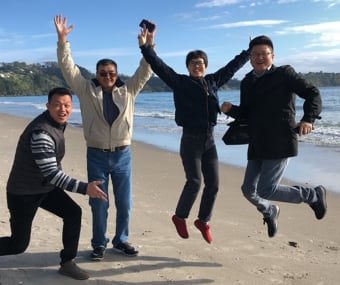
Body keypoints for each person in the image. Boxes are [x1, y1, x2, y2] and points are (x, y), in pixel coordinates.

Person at [138, 21, 250, 243]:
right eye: (193, 63)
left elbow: (231, 68)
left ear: (206, 65)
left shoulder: (212, 82)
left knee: (214, 184)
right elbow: (159, 66)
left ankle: (203, 221)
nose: (197, 66)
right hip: (190, 140)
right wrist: (146, 47)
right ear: (188, 66)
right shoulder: (180, 82)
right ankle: (180, 217)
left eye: (200, 63)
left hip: (209, 141)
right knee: (195, 181)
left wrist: (248, 52)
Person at [54, 14, 154, 260]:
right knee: (99, 203)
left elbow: (146, 68)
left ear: (117, 73)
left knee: (125, 203)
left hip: (123, 155)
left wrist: (148, 44)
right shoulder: (85, 89)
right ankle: (99, 243)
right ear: (96, 75)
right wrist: (62, 41)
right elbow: (68, 68)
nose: (107, 76)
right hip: (96, 155)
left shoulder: (129, 89)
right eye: (102, 73)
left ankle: (121, 241)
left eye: (111, 72)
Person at [221, 35, 327, 238]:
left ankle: (312, 195)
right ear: (250, 57)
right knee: (248, 190)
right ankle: (270, 211)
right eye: (255, 54)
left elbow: (313, 93)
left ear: (272, 55)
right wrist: (231, 110)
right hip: (257, 141)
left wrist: (308, 119)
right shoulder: (247, 82)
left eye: (264, 54)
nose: (260, 57)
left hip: (280, 140)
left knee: (266, 189)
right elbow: (247, 113)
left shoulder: (284, 74)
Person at [0, 87, 108, 280]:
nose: (62, 109)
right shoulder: (41, 133)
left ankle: (67, 262)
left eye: (66, 105)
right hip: (23, 192)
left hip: (43, 187)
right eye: (57, 105)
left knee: (73, 213)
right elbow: (52, 174)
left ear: (72, 107)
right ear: (48, 106)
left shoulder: (57, 124)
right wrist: (85, 188)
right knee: (18, 244)